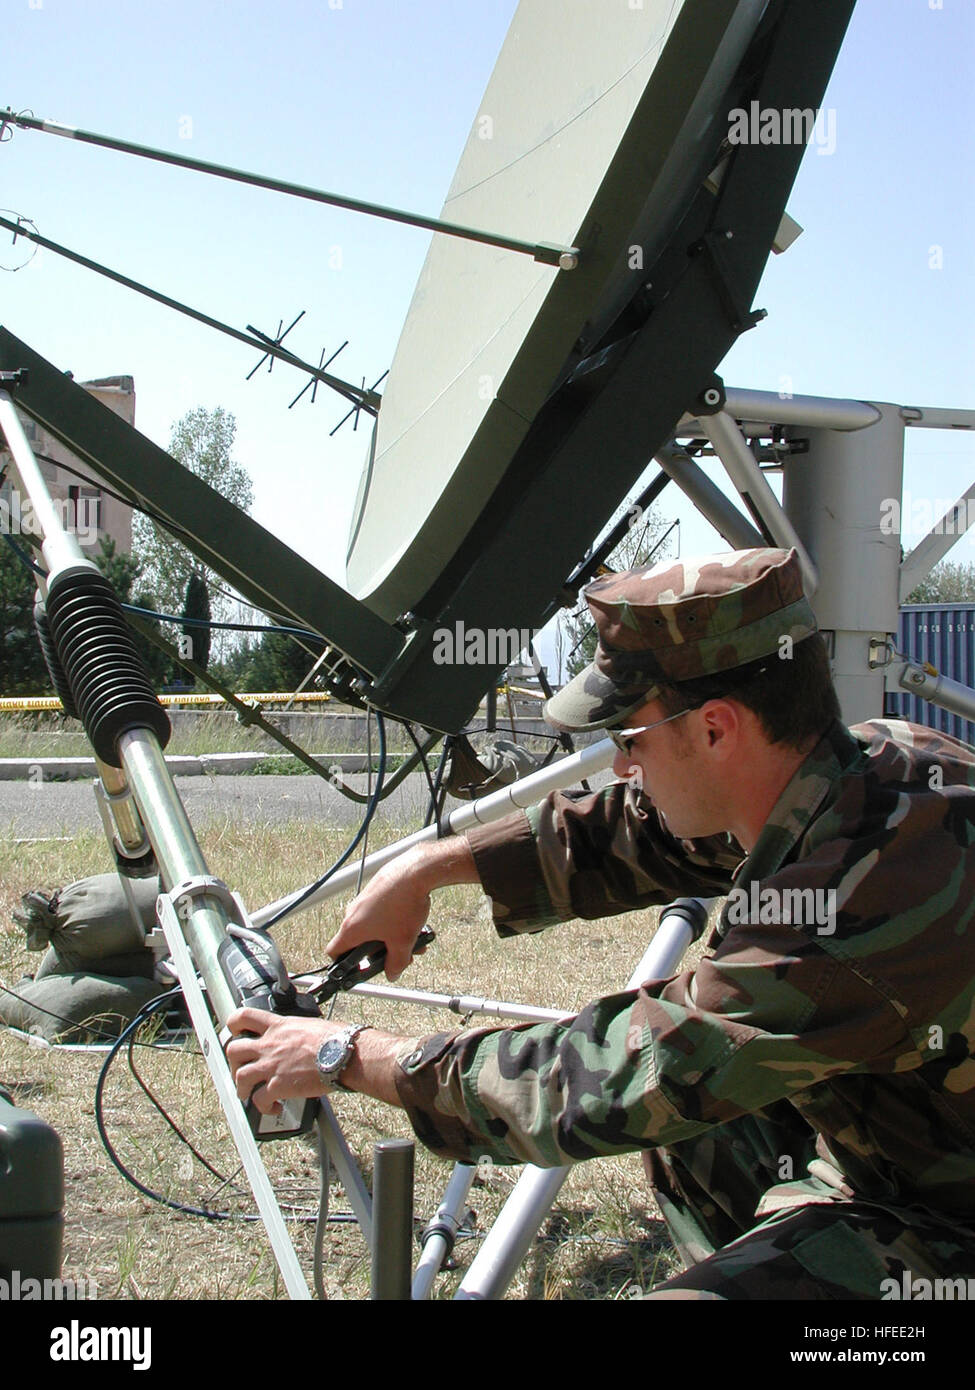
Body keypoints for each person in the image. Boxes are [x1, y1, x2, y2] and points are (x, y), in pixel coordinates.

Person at [227, 547, 975, 1299]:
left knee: (677, 1097)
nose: (620, 767)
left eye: (629, 740)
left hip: (948, 1225)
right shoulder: (878, 762)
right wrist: (426, 868)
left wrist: (347, 1056)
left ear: (716, 729)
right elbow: (643, 833)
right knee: (706, 1130)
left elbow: (606, 1080)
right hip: (905, 1155)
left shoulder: (855, 906)